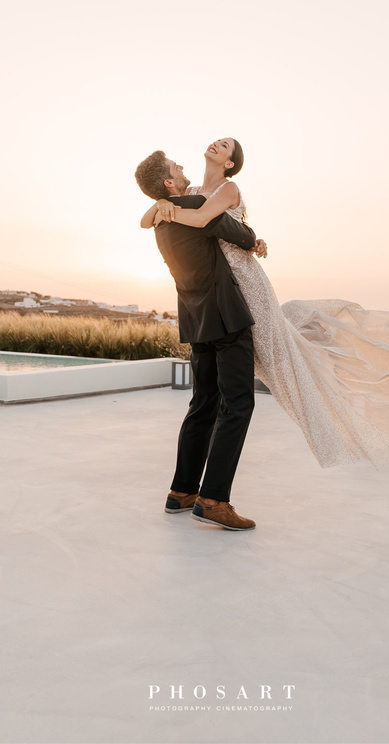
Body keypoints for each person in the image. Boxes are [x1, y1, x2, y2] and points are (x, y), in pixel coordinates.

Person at [143, 138, 389, 472]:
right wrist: (160, 204)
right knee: (230, 392)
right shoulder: (188, 188)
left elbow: (206, 218)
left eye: (225, 146)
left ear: (230, 164)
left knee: (278, 359)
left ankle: (346, 399)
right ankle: (207, 496)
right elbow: (152, 218)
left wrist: (172, 209)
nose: (216, 144)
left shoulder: (229, 188)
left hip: (244, 285)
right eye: (217, 140)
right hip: (221, 293)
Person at [134, 148, 267, 531]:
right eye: (176, 168)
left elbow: (149, 218)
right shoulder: (196, 204)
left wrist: (158, 203)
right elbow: (234, 230)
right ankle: (213, 499)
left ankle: (182, 491)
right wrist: (254, 238)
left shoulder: (161, 217)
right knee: (238, 404)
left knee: (203, 403)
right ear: (169, 183)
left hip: (195, 319)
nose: (182, 167)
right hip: (225, 316)